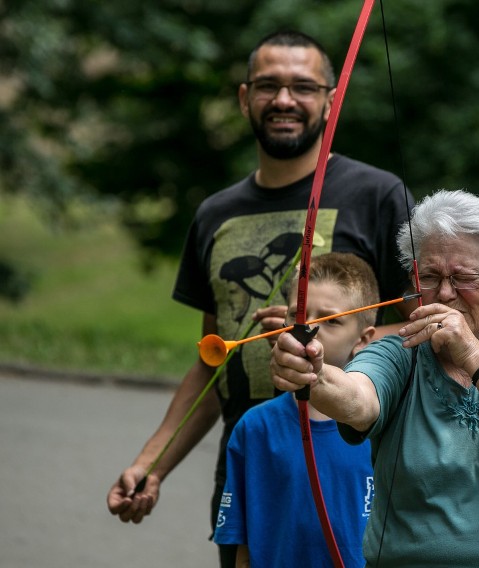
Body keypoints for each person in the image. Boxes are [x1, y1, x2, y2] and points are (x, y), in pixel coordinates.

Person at [106, 29, 415, 567]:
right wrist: (151, 465)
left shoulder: (378, 194)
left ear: (330, 99)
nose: (285, 100)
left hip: (345, 453)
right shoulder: (215, 214)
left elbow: (425, 327)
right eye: (268, 86)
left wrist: (324, 338)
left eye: (303, 86)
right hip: (252, 452)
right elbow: (212, 360)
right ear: (245, 98)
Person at [270, 189, 479, 567]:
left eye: (464, 279)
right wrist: (313, 373)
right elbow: (357, 396)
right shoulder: (399, 353)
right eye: (429, 276)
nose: (444, 293)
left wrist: (472, 353)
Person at [214, 252, 377, 567]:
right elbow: (242, 549)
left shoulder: (381, 427)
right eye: (298, 317)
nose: (307, 332)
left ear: (363, 340)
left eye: (330, 320)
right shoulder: (255, 427)